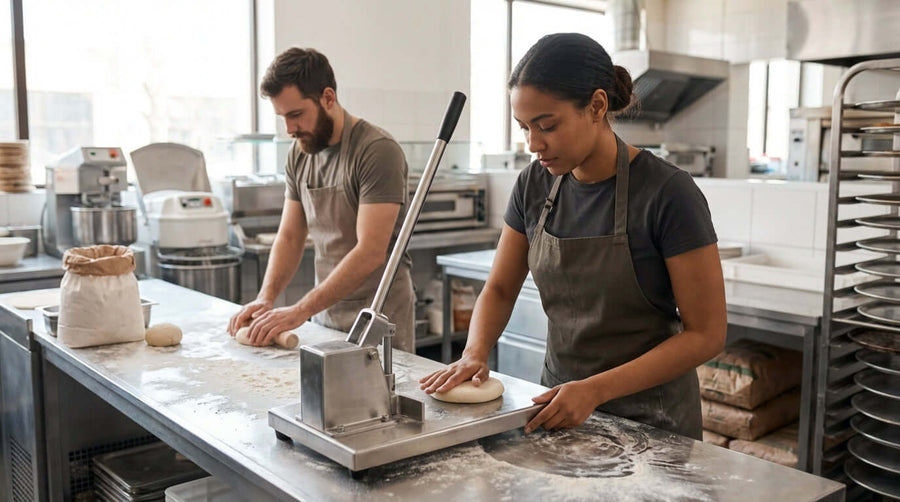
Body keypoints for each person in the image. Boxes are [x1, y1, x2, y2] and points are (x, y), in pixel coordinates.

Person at [420, 33, 727, 439]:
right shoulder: (533, 184)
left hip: (653, 422)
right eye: (524, 128)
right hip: (559, 406)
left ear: (597, 106)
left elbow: (706, 335)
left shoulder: (668, 193)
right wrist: (474, 353)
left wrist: (595, 390)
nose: (534, 144)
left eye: (547, 125)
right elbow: (499, 288)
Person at [228, 47, 415, 352]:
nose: (290, 129)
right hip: (326, 313)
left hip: (378, 317)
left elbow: (370, 251)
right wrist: (266, 298)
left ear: (328, 98)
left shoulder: (376, 150)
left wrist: (299, 310)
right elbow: (290, 237)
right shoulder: (300, 153)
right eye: (282, 117)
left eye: (296, 115)